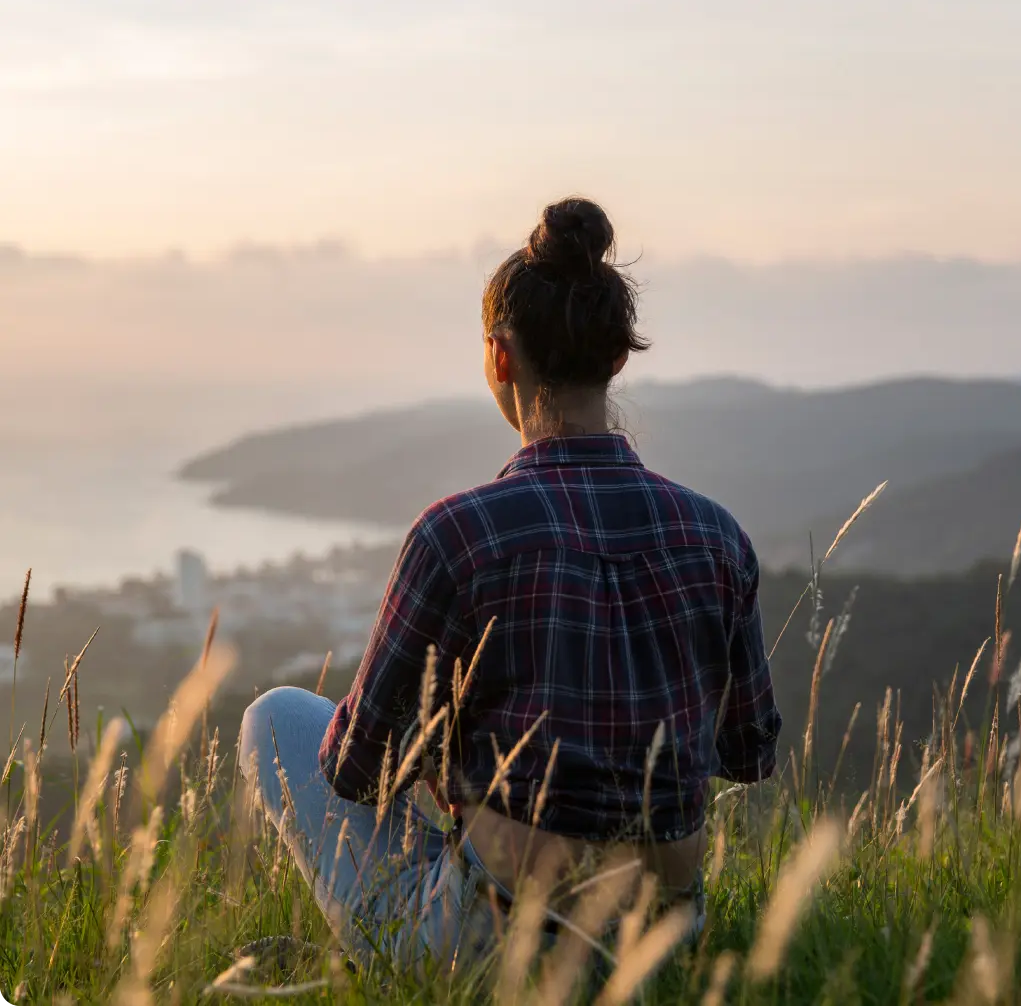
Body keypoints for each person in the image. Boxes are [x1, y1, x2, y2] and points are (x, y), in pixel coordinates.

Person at [238, 197, 782, 974]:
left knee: (274, 717)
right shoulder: (718, 535)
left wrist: (448, 753)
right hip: (663, 943)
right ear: (617, 357)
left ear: (500, 356)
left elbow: (354, 771)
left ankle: (393, 969)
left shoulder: (460, 534)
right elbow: (748, 752)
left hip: (500, 947)